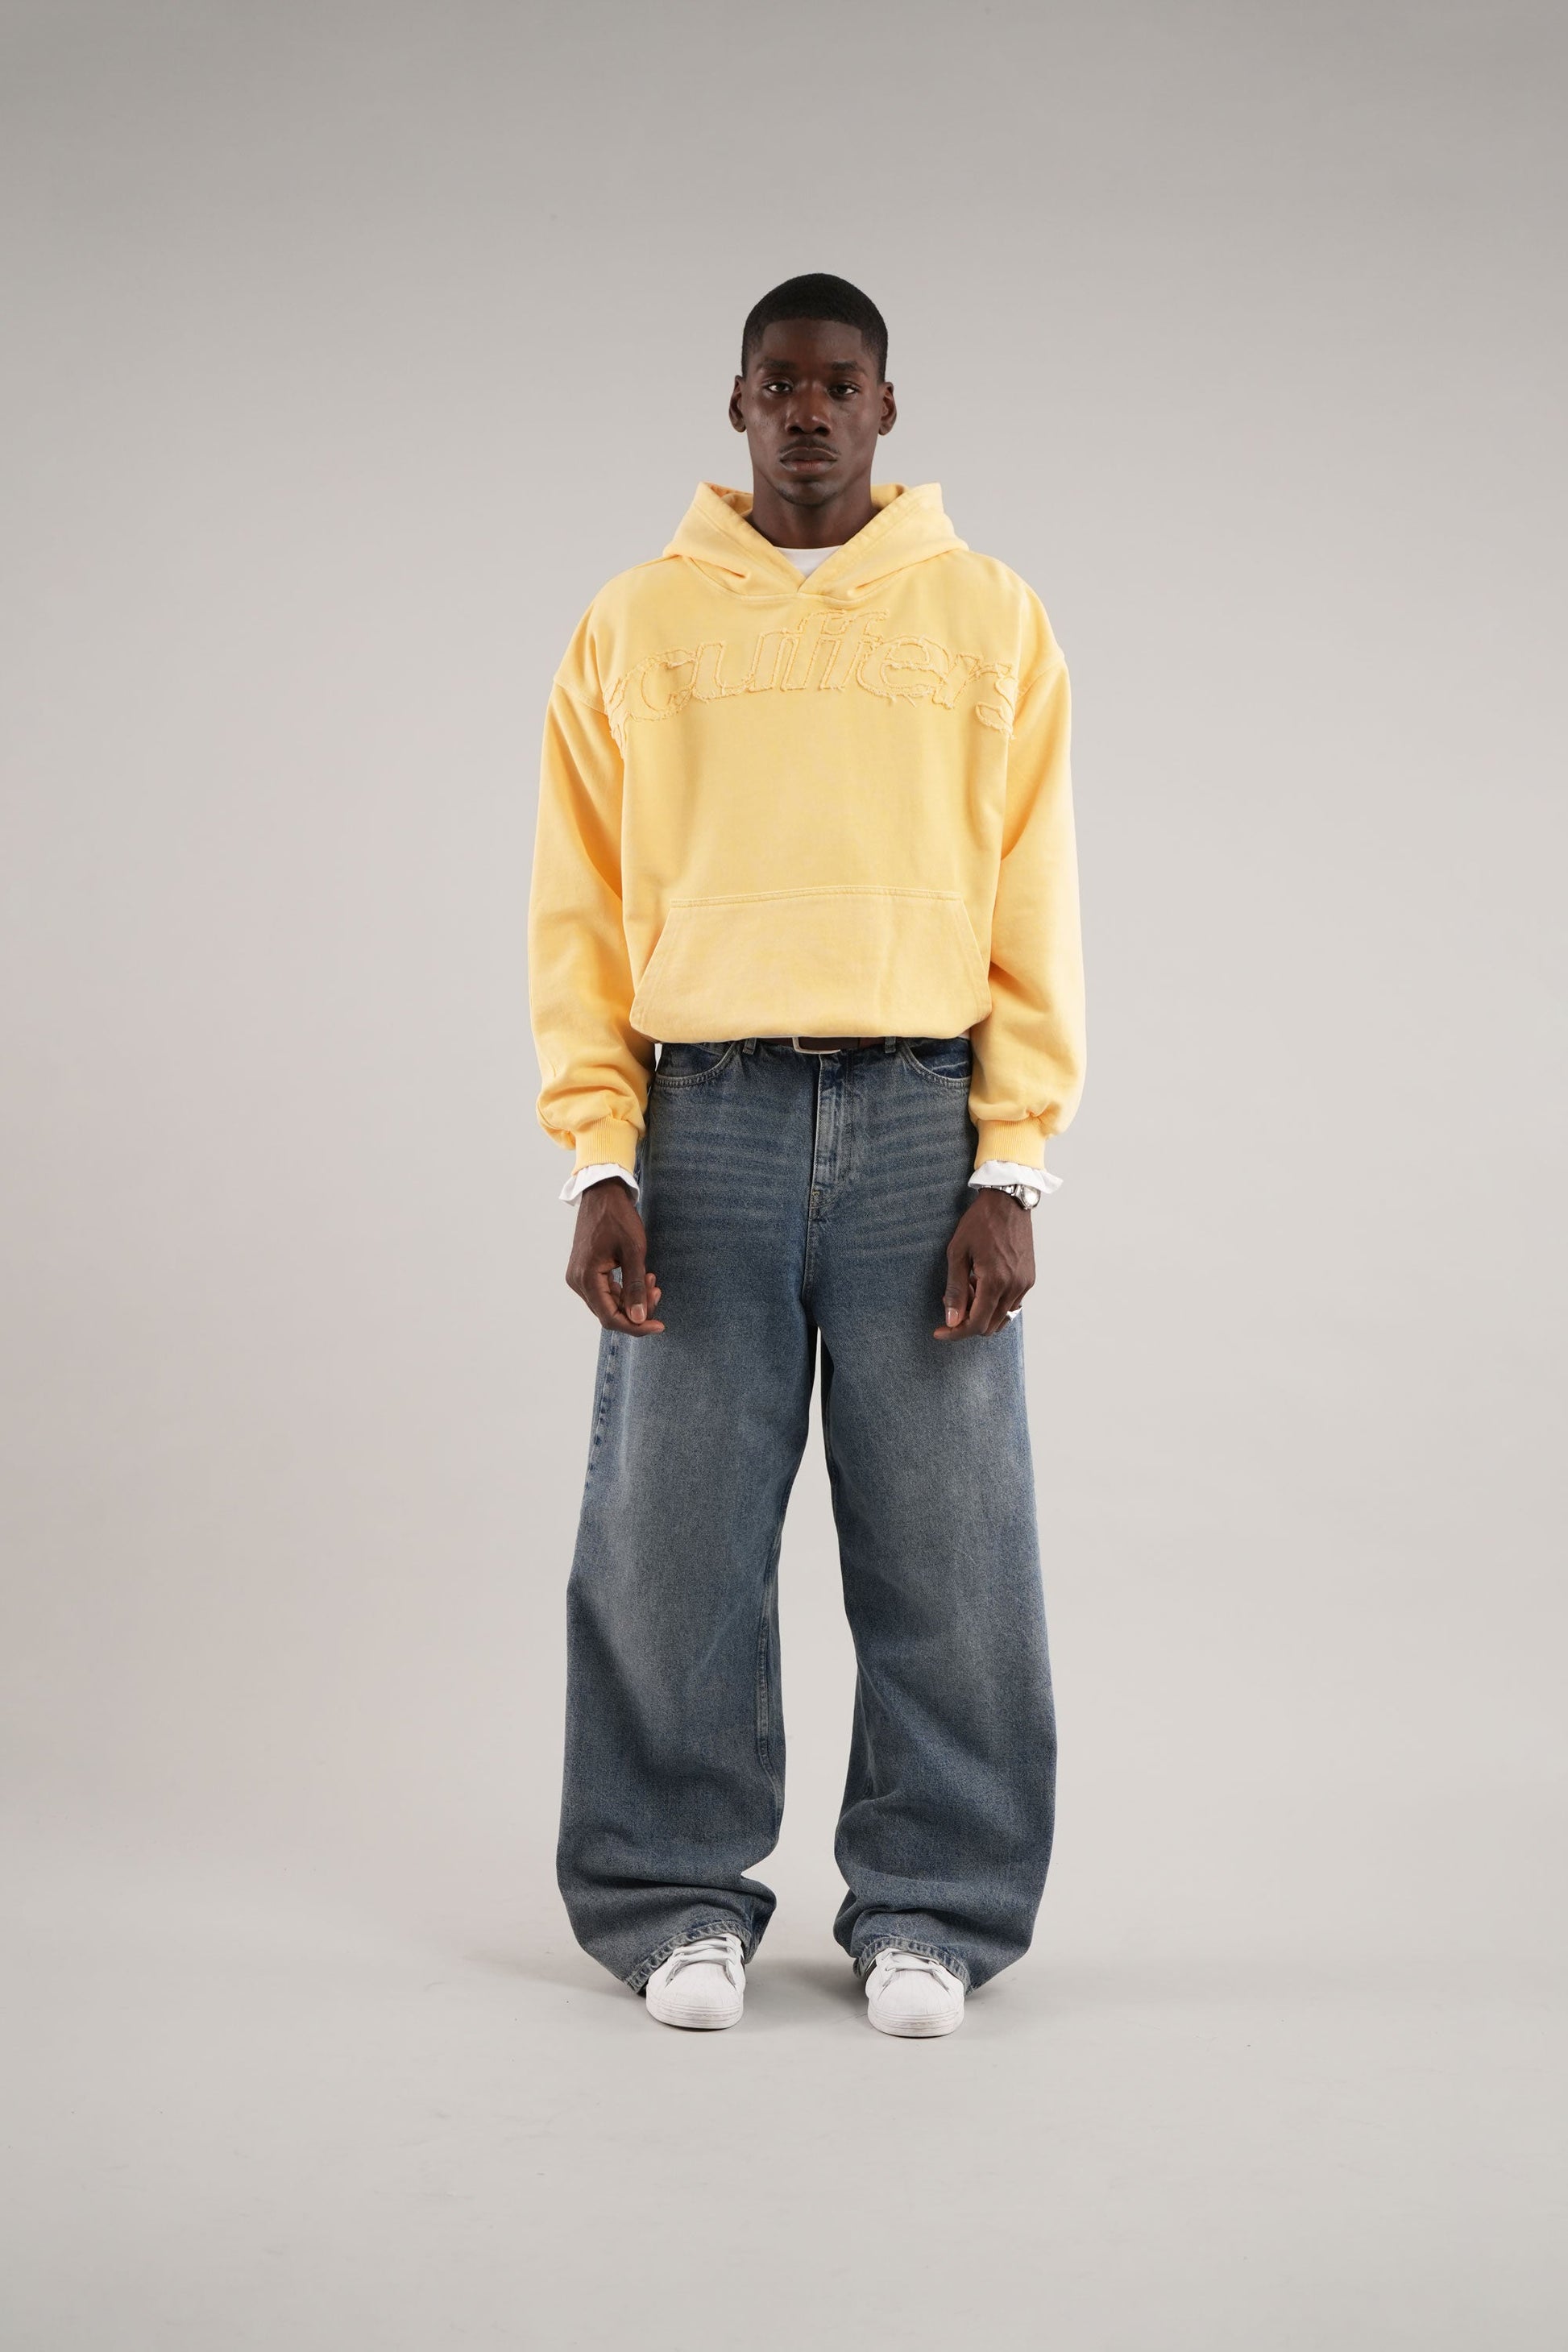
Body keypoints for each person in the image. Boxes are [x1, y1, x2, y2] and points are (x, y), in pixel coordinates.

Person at [527, 274, 1085, 2038]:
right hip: (706, 1117)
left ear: (887, 408)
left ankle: (934, 1911)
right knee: (670, 1538)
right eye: (780, 384)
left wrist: (1010, 1165)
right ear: (738, 406)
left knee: (949, 1539)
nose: (811, 412)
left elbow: (1033, 896)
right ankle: (670, 1901)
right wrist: (596, 1154)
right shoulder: (636, 623)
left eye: (842, 384)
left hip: (924, 1112)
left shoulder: (987, 616)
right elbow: (576, 911)